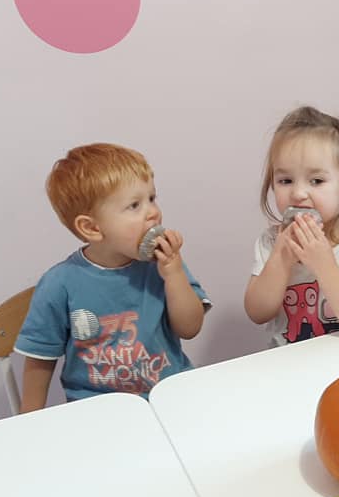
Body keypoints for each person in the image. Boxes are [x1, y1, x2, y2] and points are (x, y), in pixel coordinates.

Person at [15, 143, 210, 411]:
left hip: (169, 395)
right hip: (98, 409)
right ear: (92, 228)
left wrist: (174, 274)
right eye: (134, 205)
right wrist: (29, 418)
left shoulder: (163, 264)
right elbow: (40, 358)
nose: (153, 212)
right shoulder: (60, 284)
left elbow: (190, 328)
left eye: (152, 198)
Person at [244, 106, 339, 347]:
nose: (298, 193)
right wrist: (280, 259)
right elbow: (257, 313)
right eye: (285, 180)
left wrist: (324, 264)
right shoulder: (271, 242)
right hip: (287, 360)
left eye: (316, 181)